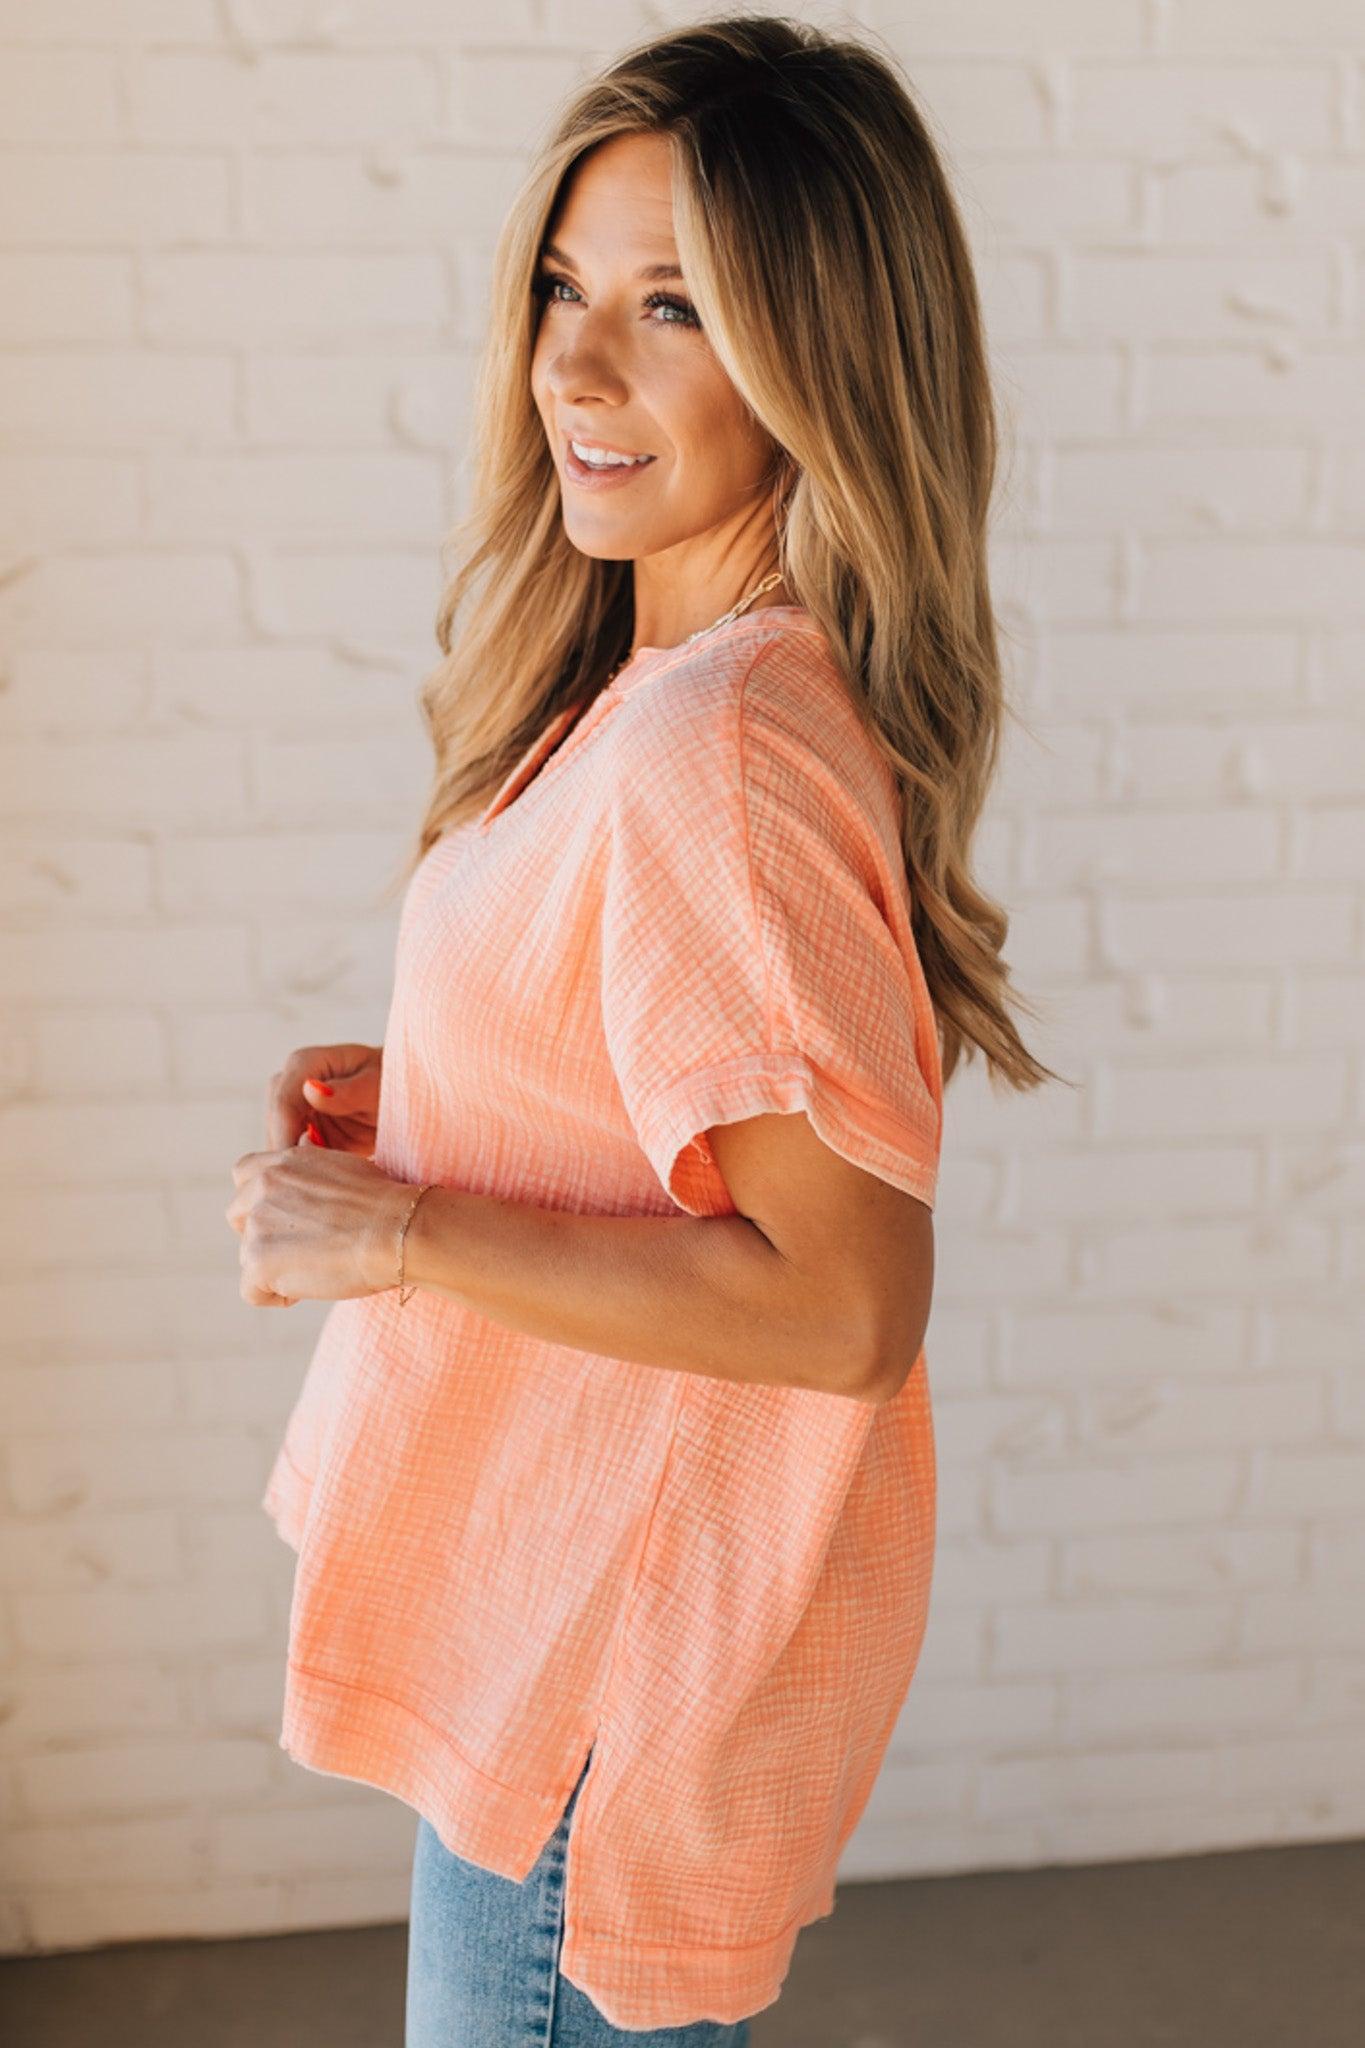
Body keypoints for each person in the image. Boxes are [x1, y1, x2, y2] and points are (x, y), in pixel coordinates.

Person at [226, 14, 1060, 2042]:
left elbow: (842, 1299)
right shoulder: (676, 680)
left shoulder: (716, 743)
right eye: (561, 288)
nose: (573, 366)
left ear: (816, 356)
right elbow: (676, 1085)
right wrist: (434, 1085)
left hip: (590, 1679)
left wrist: (404, 1236)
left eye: (669, 307)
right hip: (560, 1630)